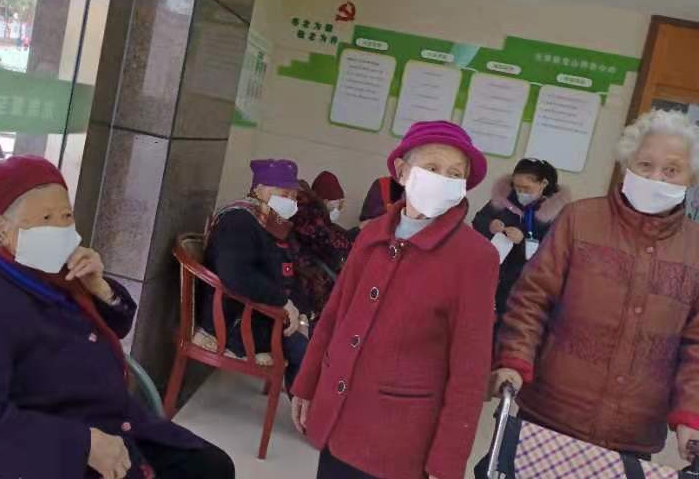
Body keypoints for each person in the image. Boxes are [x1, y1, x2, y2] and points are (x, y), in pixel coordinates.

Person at [0, 156, 234, 479]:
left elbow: (115, 326)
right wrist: (84, 445)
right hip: (45, 452)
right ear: (0, 228)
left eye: (66, 215)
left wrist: (99, 288)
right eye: (46, 218)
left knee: (214, 467)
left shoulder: (48, 265)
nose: (61, 229)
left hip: (108, 417)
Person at [291, 121, 499, 479]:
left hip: (400, 442)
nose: (443, 179)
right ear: (402, 171)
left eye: (455, 174)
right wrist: (307, 385)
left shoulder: (475, 257)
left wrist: (447, 462)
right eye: (432, 167)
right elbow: (334, 315)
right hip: (339, 421)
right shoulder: (372, 233)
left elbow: (470, 369)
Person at [491, 109, 699, 463]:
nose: (656, 177)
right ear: (626, 165)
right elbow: (532, 298)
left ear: (690, 177)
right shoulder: (580, 219)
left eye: (671, 170)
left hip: (633, 432)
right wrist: (514, 359)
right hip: (549, 414)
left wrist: (690, 414)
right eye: (645, 165)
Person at [203, 159, 310, 393]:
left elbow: (287, 271)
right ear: (259, 189)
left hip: (264, 316)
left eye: (294, 196)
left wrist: (300, 314)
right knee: (310, 355)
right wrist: (283, 303)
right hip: (238, 321)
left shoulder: (271, 223)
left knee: (319, 338)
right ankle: (305, 409)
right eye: (284, 193)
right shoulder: (238, 221)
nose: (290, 201)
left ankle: (304, 403)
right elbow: (236, 275)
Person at [472, 158, 570, 322]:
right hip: (491, 274)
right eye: (517, 187)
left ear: (543, 184)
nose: (520, 192)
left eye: (526, 188)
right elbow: (478, 220)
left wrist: (522, 241)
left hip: (523, 283)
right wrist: (490, 225)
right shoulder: (503, 199)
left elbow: (554, 250)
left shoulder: (555, 213)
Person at [289, 172, 353, 319]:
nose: (339, 209)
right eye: (338, 204)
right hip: (311, 285)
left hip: (309, 283)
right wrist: (354, 238)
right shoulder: (308, 215)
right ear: (325, 201)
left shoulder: (310, 214)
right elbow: (330, 246)